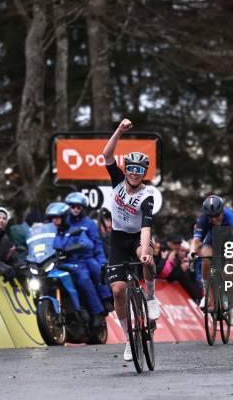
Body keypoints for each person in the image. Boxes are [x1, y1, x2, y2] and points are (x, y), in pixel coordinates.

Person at [102, 118, 159, 362]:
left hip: (137, 237)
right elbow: (106, 155)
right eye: (131, 169)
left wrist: (145, 250)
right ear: (126, 170)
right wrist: (119, 131)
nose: (135, 174)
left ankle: (151, 296)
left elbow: (146, 227)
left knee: (146, 259)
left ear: (144, 173)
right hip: (117, 239)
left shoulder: (147, 196)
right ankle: (128, 339)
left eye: (140, 171)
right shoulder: (117, 182)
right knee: (117, 291)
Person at [48, 202, 105, 328]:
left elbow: (88, 244)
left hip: (77, 264)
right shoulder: (56, 234)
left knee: (83, 280)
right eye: (53, 219)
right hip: (61, 265)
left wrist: (72, 248)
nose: (54, 221)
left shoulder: (75, 230)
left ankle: (97, 313)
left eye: (57, 218)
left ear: (64, 217)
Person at [189, 195, 233, 325]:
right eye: (210, 217)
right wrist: (192, 251)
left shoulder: (232, 218)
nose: (214, 219)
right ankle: (206, 295)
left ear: (222, 211)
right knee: (205, 259)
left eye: (216, 216)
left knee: (228, 273)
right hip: (212, 241)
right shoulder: (203, 219)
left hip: (229, 243)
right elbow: (197, 240)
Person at [65, 192, 113, 312]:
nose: (75, 209)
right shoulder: (63, 223)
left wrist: (102, 262)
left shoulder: (89, 224)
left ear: (82, 208)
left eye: (78, 207)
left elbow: (97, 245)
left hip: (87, 258)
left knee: (97, 270)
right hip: (68, 259)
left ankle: (106, 300)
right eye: (73, 206)